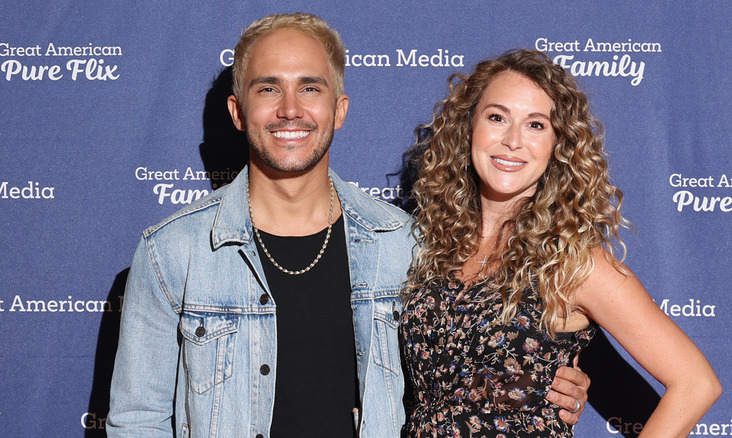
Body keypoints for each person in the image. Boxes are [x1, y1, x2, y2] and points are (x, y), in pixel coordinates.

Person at [106, 14, 590, 437]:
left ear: (339, 110)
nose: (290, 108)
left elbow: (460, 370)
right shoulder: (172, 251)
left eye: (311, 88)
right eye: (268, 87)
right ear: (237, 112)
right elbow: (137, 421)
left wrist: (539, 382)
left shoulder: (406, 244)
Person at [401, 48, 722, 437]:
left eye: (536, 125)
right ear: (469, 128)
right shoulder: (431, 248)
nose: (512, 140)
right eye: (497, 117)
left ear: (557, 145)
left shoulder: (571, 261)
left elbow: (696, 383)